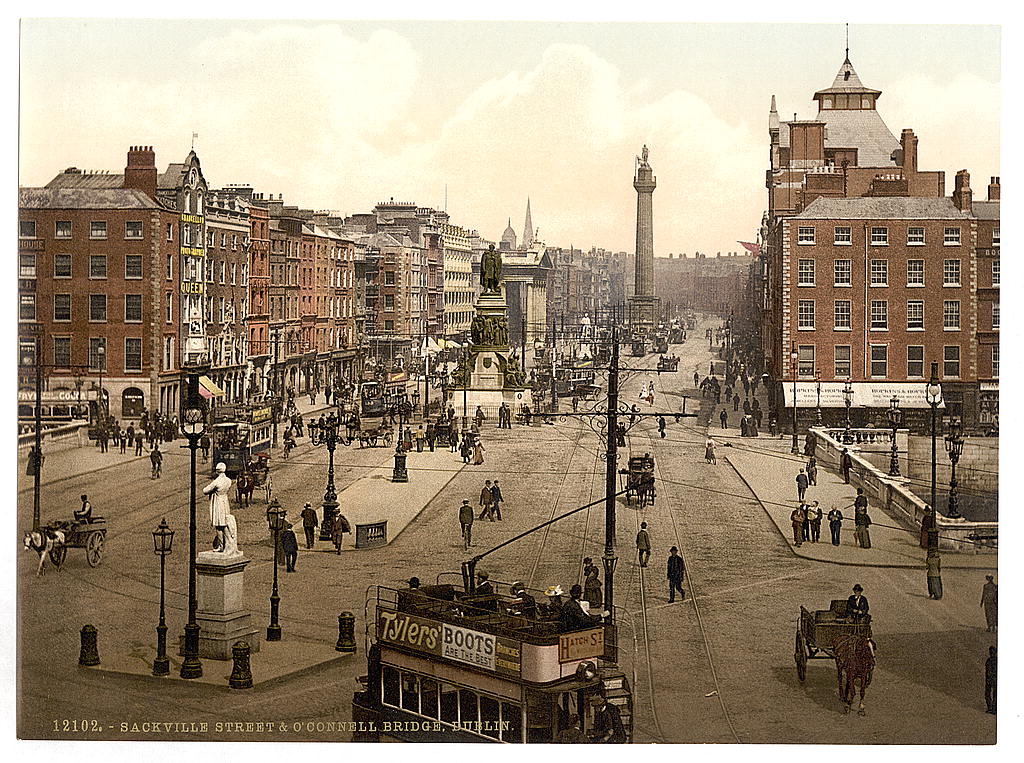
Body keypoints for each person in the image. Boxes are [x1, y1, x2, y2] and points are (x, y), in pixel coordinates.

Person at [203, 463, 233, 552]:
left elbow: (205, 490)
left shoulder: (217, 482)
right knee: (225, 524)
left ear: (217, 471)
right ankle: (229, 543)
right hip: (225, 502)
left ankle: (221, 546)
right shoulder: (228, 480)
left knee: (219, 525)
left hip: (218, 503)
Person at [985, 646, 997, 714]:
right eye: (990, 652)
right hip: (988, 680)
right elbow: (987, 671)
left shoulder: (997, 661)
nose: (991, 653)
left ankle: (994, 709)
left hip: (995, 680)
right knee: (987, 694)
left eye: (992, 652)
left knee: (995, 695)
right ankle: (990, 708)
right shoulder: (988, 660)